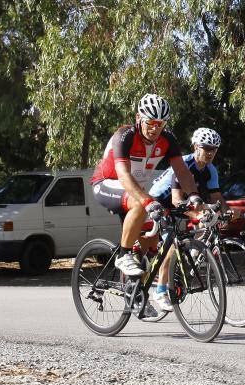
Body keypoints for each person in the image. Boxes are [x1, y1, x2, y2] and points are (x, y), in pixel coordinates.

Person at [91, 94, 203, 284]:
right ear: (138, 118)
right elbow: (124, 176)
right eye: (150, 122)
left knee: (152, 237)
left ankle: (136, 293)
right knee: (142, 204)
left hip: (135, 190)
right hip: (107, 183)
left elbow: (183, 172)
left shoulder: (167, 140)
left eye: (160, 124)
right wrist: (147, 201)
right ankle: (123, 255)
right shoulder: (124, 136)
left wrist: (194, 197)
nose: (155, 128)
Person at [147, 127, 231, 310]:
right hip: (161, 201)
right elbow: (176, 201)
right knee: (172, 242)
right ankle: (160, 290)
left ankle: (192, 252)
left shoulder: (211, 170)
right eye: (206, 147)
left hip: (183, 201)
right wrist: (199, 214)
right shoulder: (183, 165)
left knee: (206, 221)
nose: (210, 152)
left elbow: (216, 197)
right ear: (195, 146)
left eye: (214, 149)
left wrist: (227, 212)